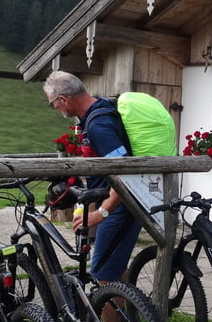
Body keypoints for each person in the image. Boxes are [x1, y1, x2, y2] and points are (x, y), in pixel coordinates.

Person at [43, 71, 140, 285]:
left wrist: (102, 213)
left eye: (53, 104)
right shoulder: (100, 108)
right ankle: (127, 316)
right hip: (118, 203)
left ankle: (111, 319)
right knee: (115, 267)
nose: (55, 109)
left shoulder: (98, 124)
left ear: (63, 99)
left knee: (103, 277)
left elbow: (123, 172)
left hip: (118, 206)